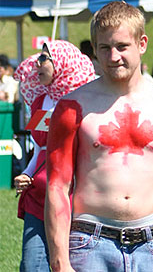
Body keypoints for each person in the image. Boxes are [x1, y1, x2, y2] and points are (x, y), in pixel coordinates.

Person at [44, 1, 153, 271]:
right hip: (89, 241)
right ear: (94, 50)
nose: (113, 57)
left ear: (142, 44)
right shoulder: (73, 106)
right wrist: (60, 259)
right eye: (104, 48)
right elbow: (57, 185)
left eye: (121, 46)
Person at [13, 40, 95, 271]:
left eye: (43, 58)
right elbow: (40, 148)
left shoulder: (83, 102)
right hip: (37, 196)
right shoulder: (41, 100)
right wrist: (27, 174)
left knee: (67, 264)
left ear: (61, 63)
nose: (37, 63)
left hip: (72, 200)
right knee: (32, 266)